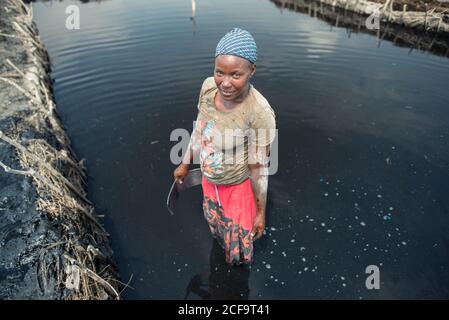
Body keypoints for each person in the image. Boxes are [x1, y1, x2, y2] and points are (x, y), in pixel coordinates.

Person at [173, 28, 276, 265]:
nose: (225, 83)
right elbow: (200, 129)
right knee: (216, 228)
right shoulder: (209, 87)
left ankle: (237, 278)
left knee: (239, 244)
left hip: (238, 188)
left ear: (252, 71)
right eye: (220, 72)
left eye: (236, 75)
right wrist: (185, 163)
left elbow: (259, 168)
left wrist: (261, 212)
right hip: (210, 181)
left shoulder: (259, 112)